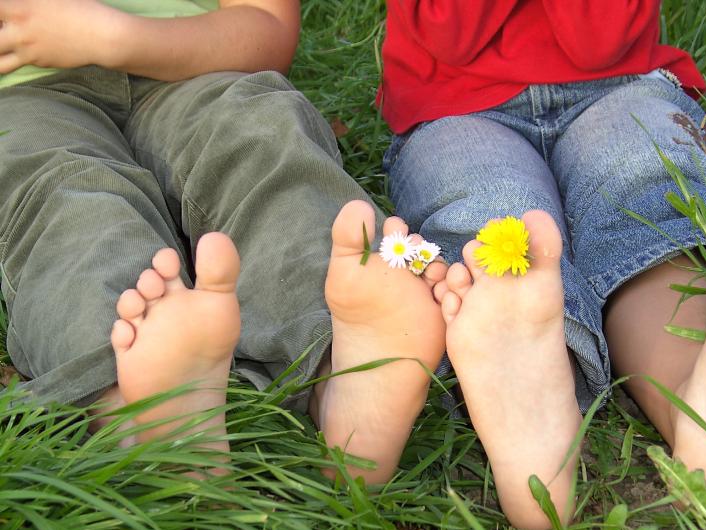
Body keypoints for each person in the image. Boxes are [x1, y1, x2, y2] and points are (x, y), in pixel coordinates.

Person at [375, 0, 706, 530]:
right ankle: (534, 403)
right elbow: (448, 28)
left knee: (641, 195)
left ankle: (703, 409)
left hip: (617, 85)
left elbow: (600, 35)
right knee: (492, 225)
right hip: (454, 108)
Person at [0, 0, 449, 477]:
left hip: (195, 67)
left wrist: (113, 38)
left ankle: (344, 372)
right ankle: (133, 409)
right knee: (67, 195)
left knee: (260, 138)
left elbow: (267, 27)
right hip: (24, 96)